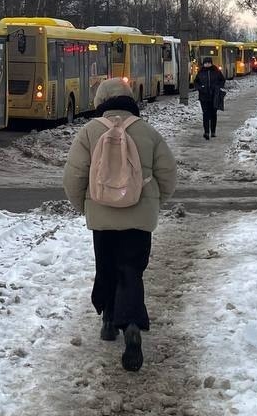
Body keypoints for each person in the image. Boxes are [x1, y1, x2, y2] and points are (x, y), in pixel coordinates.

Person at [63, 78, 178, 372]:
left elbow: (73, 177)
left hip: (101, 213)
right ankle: (131, 326)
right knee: (131, 270)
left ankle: (108, 321)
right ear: (129, 99)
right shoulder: (146, 131)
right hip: (139, 216)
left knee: (106, 267)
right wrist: (154, 201)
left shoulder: (89, 132)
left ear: (100, 100)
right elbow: (168, 174)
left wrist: (85, 206)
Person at [195, 55, 225, 140]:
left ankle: (213, 131)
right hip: (203, 97)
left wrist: (218, 87)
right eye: (206, 63)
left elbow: (222, 80)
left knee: (213, 114)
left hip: (214, 97)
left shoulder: (216, 71)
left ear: (211, 63)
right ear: (203, 64)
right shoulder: (200, 72)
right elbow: (196, 82)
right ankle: (206, 132)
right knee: (205, 114)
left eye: (209, 63)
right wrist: (201, 88)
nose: (207, 64)